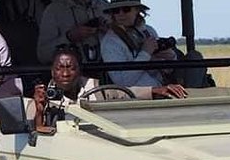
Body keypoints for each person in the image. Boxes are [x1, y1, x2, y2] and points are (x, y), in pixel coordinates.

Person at [30, 46, 186, 127]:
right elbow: (37, 132)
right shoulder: (43, 97)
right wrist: (39, 109)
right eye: (59, 68)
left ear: (80, 70)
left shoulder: (97, 90)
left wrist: (156, 90)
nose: (65, 74)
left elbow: (124, 93)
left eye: (70, 68)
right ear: (52, 71)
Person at [100, 0, 180, 87]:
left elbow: (167, 70)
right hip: (137, 98)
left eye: (126, 9)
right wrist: (146, 53)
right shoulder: (111, 43)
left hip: (163, 88)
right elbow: (122, 81)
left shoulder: (149, 31)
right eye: (116, 10)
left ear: (137, 10)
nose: (121, 14)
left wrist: (170, 57)